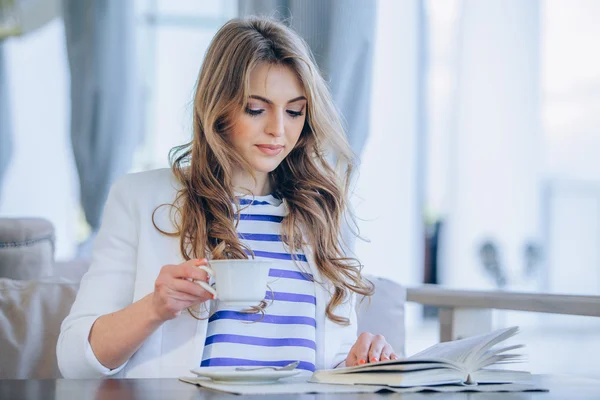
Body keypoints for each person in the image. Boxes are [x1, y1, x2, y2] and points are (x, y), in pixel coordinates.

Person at [57, 16, 398, 379]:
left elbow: (329, 364)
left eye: (295, 111)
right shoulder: (141, 199)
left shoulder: (323, 210)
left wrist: (358, 361)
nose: (278, 129)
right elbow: (75, 362)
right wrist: (154, 307)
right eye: (256, 108)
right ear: (219, 107)